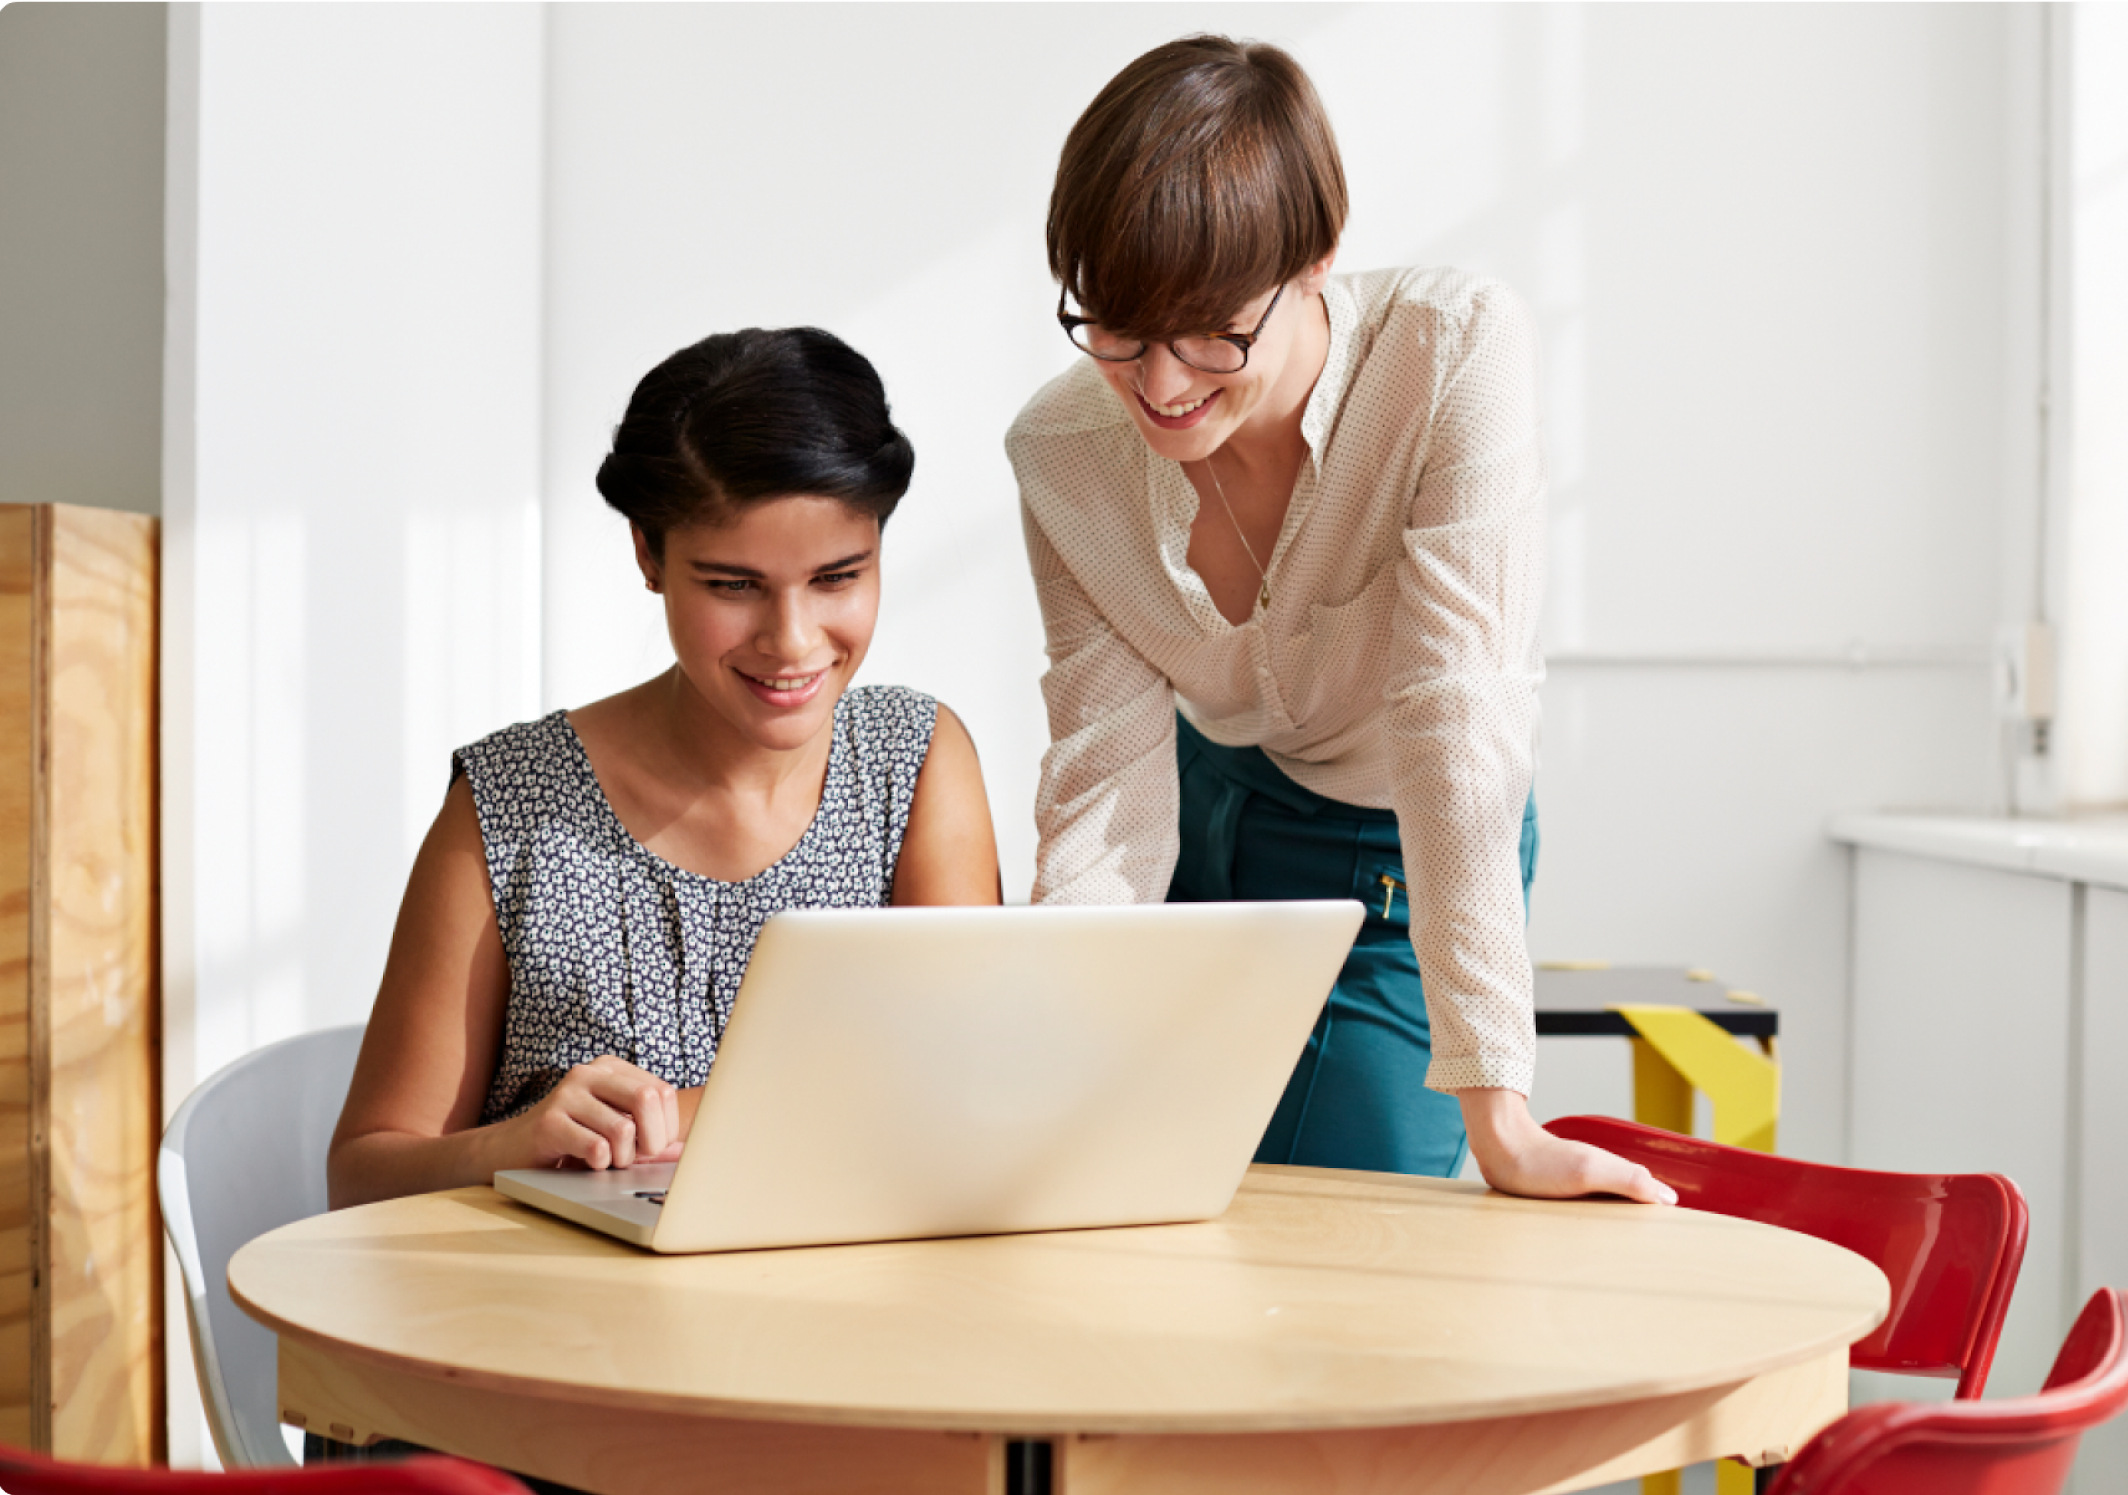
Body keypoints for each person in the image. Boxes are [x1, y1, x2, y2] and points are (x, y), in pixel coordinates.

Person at [1008, 36, 1671, 1205]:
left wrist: (1501, 1116)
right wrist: (1058, 1053)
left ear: (1317, 259)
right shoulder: (1063, 454)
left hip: (1394, 845)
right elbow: (1107, 780)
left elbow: (1456, 726)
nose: (1159, 383)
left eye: (1212, 331)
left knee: (1349, 1226)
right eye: (1114, 327)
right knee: (1122, 1193)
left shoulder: (1447, 355)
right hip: (1196, 812)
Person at [330, 327, 1000, 1210]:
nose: (792, 640)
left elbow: (964, 1103)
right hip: (557, 1330)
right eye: (733, 585)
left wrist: (675, 1117)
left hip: (842, 1320)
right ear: (648, 553)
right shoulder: (509, 808)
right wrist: (514, 1145)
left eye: (839, 577)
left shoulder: (912, 766)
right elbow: (361, 1177)